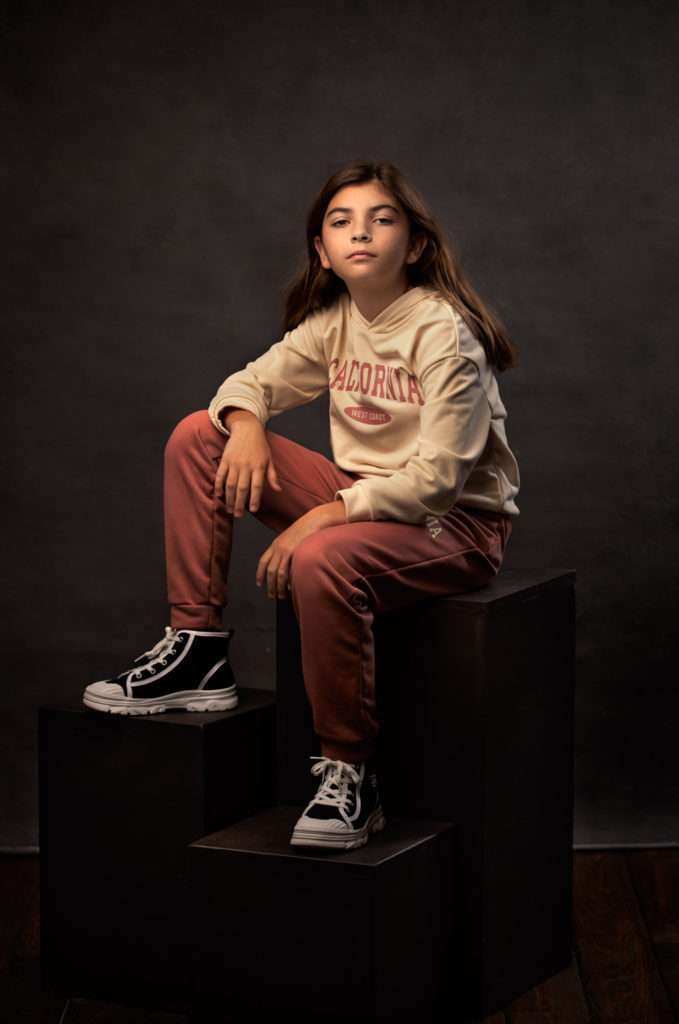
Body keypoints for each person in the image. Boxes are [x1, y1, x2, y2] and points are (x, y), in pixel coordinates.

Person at [82, 159, 521, 852]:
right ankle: (197, 650)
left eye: (382, 219)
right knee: (202, 433)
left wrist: (321, 515)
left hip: (455, 525)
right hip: (366, 503)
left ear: (414, 244)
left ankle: (349, 773)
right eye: (340, 221)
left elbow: (437, 479)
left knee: (320, 557)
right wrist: (248, 423)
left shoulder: (444, 332)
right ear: (321, 249)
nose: (361, 233)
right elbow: (247, 382)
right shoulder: (334, 322)